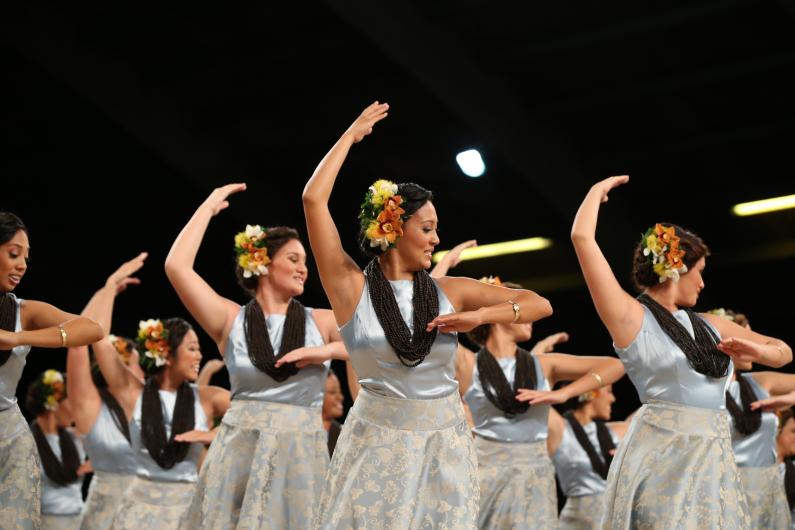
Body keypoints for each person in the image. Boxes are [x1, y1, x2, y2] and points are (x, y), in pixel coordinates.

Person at [303, 101, 554, 528]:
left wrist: (481, 316)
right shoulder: (350, 287)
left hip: (442, 443)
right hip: (376, 442)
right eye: (427, 228)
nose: (436, 238)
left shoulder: (448, 291)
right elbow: (313, 199)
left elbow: (538, 303)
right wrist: (349, 137)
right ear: (393, 228)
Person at [570, 175, 792, 528]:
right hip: (660, 456)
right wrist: (596, 193)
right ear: (677, 269)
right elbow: (582, 239)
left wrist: (757, 349)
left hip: (711, 458)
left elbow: (784, 351)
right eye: (700, 272)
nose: (703, 283)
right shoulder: (631, 318)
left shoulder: (709, 324)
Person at [165, 186, 347, 529]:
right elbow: (176, 266)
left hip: (300, 458)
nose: (303, 269)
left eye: (305, 262)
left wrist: (327, 350)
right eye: (293, 259)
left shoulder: (320, 322)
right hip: (239, 456)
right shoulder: (229, 320)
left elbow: (373, 344)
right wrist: (207, 207)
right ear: (262, 262)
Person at [461, 278, 624, 529]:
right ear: (501, 314)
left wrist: (564, 394)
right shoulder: (468, 364)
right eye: (522, 310)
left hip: (535, 475)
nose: (532, 317)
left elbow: (615, 365)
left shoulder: (543, 366)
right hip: (488, 473)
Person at [0, 212, 103, 529]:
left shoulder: (24, 312)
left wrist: (18, 337)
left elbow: (92, 329)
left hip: (8, 441)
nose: (22, 265)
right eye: (14, 254)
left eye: (26, 258)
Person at [68, 256, 147, 530]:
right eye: (138, 365)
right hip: (103, 519)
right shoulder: (89, 404)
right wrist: (108, 289)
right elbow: (77, 344)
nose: (143, 373)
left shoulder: (147, 401)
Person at [712, 308, 794, 528]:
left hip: (766, 491)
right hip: (722, 493)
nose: (754, 344)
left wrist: (790, 398)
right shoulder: (706, 392)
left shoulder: (760, 382)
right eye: (748, 338)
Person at [549, 386, 629, 530]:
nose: (613, 398)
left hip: (616, 521)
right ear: (591, 393)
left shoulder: (616, 432)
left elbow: (656, 411)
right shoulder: (560, 429)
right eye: (609, 392)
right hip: (577, 523)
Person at [27, 370, 89, 530]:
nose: (77, 410)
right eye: (73, 402)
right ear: (55, 401)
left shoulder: (76, 438)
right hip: (45, 523)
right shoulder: (26, 442)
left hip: (80, 521)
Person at [322, 371, 344, 457]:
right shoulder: (300, 435)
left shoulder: (344, 435)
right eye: (332, 392)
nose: (340, 397)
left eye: (340, 392)